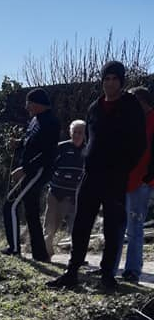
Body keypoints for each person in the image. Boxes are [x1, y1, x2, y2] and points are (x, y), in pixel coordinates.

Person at [49, 61, 146, 292]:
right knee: (81, 224)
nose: (110, 83)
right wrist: (88, 159)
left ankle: (107, 276)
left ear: (121, 81)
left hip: (115, 177)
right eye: (107, 79)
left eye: (115, 79)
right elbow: (91, 139)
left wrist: (124, 168)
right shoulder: (95, 107)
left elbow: (140, 143)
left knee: (113, 228)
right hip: (91, 174)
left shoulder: (131, 106)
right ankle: (72, 272)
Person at [2, 88, 60, 261]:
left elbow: (46, 153)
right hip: (31, 169)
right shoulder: (35, 120)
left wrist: (25, 169)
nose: (27, 107)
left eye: (29, 103)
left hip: (38, 171)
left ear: (37, 104)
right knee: (31, 210)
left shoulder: (51, 122)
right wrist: (18, 143)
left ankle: (14, 249)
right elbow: (31, 141)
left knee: (10, 205)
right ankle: (40, 254)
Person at [113, 86, 154, 283]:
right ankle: (110, 267)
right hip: (124, 180)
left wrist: (147, 177)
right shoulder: (131, 121)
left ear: (141, 102)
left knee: (135, 227)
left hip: (142, 182)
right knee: (117, 226)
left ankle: (132, 270)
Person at [43, 120, 85, 259]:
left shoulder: (88, 150)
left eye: (80, 132)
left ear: (85, 134)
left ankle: (77, 258)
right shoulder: (61, 148)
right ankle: (46, 254)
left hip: (75, 197)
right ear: (70, 133)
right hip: (56, 194)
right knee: (50, 228)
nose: (77, 135)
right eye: (75, 132)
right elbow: (48, 166)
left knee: (78, 229)